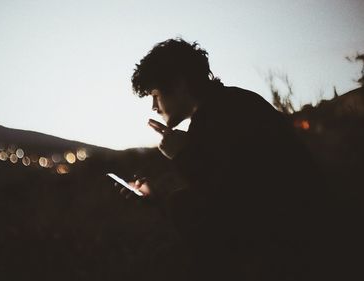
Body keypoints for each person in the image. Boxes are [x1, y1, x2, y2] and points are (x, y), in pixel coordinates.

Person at [118, 38, 332, 280]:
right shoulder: (230, 104)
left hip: (292, 248)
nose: (154, 107)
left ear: (178, 84)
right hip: (300, 232)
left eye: (155, 96)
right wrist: (156, 195)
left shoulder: (221, 117)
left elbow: (229, 203)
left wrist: (182, 154)